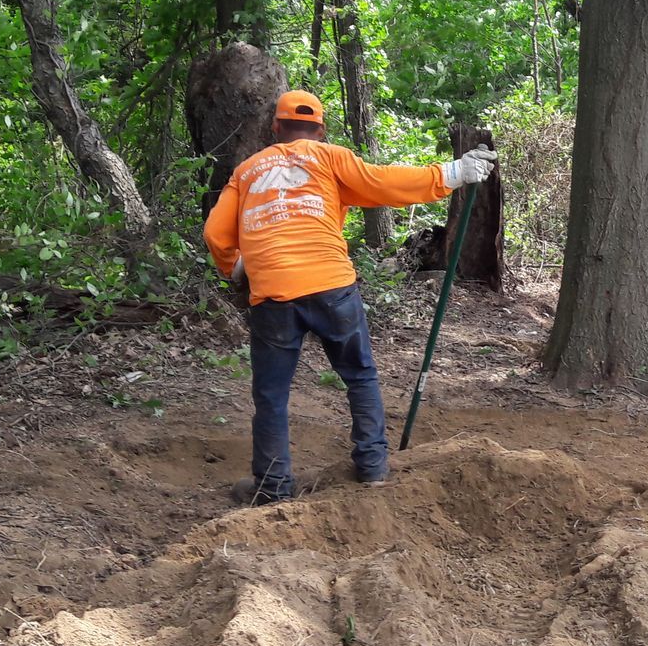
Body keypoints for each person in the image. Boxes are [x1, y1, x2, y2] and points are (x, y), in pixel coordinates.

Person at [203, 90, 497, 502]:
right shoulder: (330, 159)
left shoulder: (247, 171)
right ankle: (373, 466)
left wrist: (236, 267)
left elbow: (216, 233)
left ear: (275, 128)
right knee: (359, 375)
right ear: (320, 130)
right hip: (330, 285)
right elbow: (381, 182)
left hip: (272, 292)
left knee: (271, 394)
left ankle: (272, 487)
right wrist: (451, 173)